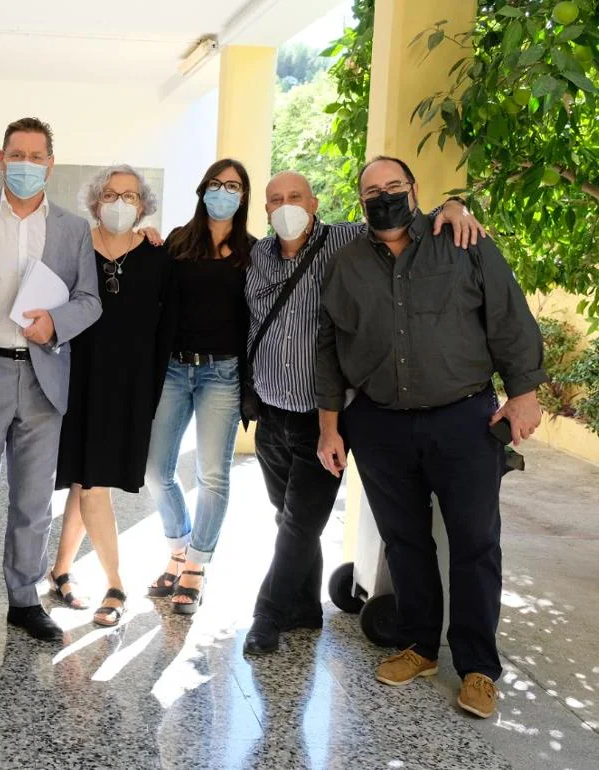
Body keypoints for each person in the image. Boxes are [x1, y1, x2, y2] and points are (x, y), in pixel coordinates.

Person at [316, 156, 545, 719]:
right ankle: (419, 645)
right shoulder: (345, 263)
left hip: (464, 420)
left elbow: (508, 314)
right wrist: (330, 424)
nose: (384, 195)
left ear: (415, 190)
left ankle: (477, 668)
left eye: (394, 186)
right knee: (405, 540)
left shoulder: (459, 239)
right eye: (373, 189)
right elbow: (329, 346)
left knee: (475, 542)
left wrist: (524, 392)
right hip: (379, 423)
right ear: (361, 200)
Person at [242, 172, 486, 656]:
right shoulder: (257, 257)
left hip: (323, 415)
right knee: (286, 516)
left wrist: (453, 206)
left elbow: (404, 217)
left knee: (300, 523)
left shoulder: (348, 239)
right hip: (271, 413)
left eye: (295, 197)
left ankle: (266, 614)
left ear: (314, 203)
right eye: (275, 200)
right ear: (265, 210)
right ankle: (305, 609)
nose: (285, 206)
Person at [0, 117, 101, 643]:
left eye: (37, 157)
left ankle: (23, 599)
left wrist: (55, 324)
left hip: (44, 374)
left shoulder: (73, 229)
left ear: (51, 164)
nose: (27, 165)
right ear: (1, 158)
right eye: (18, 155)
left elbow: (89, 299)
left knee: (34, 499)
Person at [48, 164, 172, 627]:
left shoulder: (159, 255)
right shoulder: (75, 245)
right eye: (112, 194)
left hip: (128, 385)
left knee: (90, 478)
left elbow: (165, 329)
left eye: (131, 196)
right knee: (90, 478)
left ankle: (62, 570)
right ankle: (115, 583)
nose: (121, 203)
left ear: (144, 205)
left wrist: (154, 391)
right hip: (74, 377)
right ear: (96, 199)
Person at [143, 159, 255, 615]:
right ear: (202, 189)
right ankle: (178, 544)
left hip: (222, 373)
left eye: (233, 186)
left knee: (213, 474)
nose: (223, 192)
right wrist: (145, 240)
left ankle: (195, 566)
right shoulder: (177, 242)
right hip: (173, 368)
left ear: (243, 197)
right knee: (155, 470)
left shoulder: (254, 251)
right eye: (216, 184)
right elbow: (152, 291)